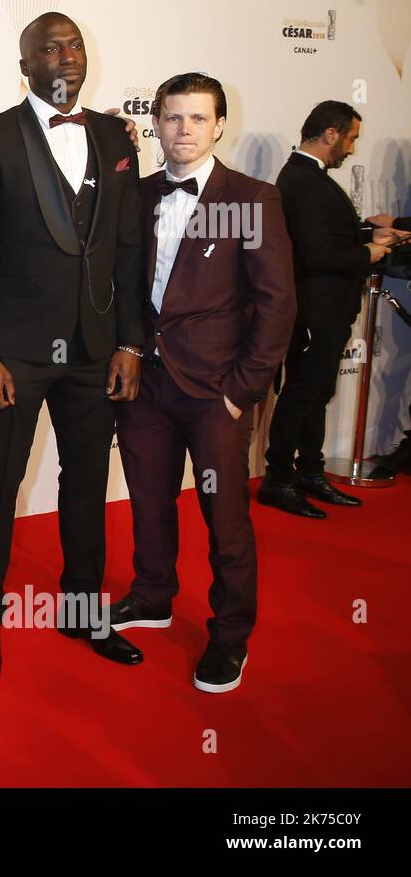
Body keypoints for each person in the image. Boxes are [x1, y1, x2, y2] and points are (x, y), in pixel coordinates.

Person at [0, 11, 147, 684]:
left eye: (74, 45)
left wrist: (130, 341)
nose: (65, 56)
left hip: (96, 349)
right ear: (24, 64)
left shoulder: (117, 136)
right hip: (16, 352)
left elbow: (127, 245)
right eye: (49, 48)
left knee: (88, 485)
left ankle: (83, 609)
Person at [110, 72, 296, 693]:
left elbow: (276, 306)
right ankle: (154, 594)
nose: (183, 130)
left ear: (220, 125)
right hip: (146, 387)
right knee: (148, 501)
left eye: (197, 119)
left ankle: (230, 636)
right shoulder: (136, 196)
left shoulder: (252, 198)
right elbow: (126, 288)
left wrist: (241, 391)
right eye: (172, 118)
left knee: (226, 518)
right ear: (156, 123)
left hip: (216, 390)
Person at [258, 101, 409, 517]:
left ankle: (309, 471)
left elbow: (325, 232)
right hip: (314, 310)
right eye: (351, 138)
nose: (352, 149)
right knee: (300, 396)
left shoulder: (310, 178)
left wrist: (372, 230)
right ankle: (278, 480)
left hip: (327, 310)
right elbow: (315, 250)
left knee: (316, 394)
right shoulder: (303, 180)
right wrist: (370, 251)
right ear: (330, 134)